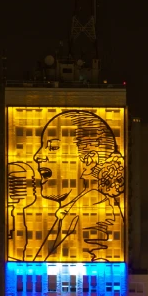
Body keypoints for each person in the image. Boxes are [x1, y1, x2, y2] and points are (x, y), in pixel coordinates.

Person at [32, 110, 125, 262]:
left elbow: (96, 268)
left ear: (90, 160)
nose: (37, 156)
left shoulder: (94, 211)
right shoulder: (73, 210)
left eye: (53, 147)